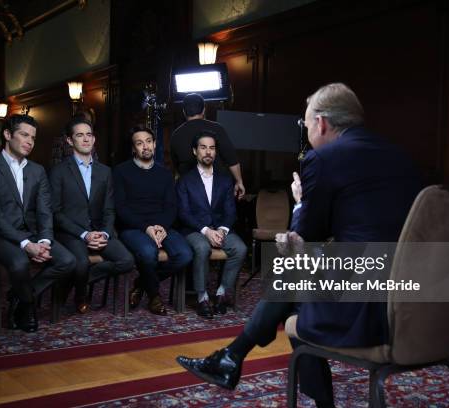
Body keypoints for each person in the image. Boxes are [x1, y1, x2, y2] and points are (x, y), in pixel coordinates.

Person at [176, 83, 423, 407]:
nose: (307, 133)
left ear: (320, 124)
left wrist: (300, 203)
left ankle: (234, 357)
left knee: (292, 279)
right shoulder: (402, 156)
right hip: (420, 306)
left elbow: (302, 240)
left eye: (306, 126)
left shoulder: (324, 158)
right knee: (298, 283)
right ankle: (232, 358)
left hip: (371, 311)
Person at [0, 114, 76, 333]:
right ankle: (28, 306)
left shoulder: (37, 171)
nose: (29, 141)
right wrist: (25, 244)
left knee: (67, 261)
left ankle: (20, 296)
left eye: (33, 137)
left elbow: (44, 210)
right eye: (24, 135)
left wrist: (45, 239)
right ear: (7, 135)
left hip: (31, 233)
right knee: (20, 262)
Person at [49, 116, 135, 314]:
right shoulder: (58, 172)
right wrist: (83, 234)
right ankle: (81, 296)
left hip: (98, 230)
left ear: (94, 139)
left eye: (89, 135)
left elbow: (109, 209)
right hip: (71, 232)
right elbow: (56, 212)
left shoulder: (105, 172)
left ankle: (78, 282)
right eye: (80, 135)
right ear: (70, 141)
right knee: (81, 262)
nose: (86, 139)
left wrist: (104, 233)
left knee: (126, 261)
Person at [113, 124, 193, 315]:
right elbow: (120, 208)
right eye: (139, 143)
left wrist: (161, 227)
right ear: (134, 148)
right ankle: (154, 296)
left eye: (149, 142)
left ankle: (141, 283)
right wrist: (146, 228)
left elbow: (171, 206)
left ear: (155, 144)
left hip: (161, 226)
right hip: (133, 227)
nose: (145, 146)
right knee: (149, 254)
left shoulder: (165, 174)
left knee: (185, 255)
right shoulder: (120, 171)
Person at [176, 132, 247, 319]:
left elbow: (231, 211)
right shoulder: (185, 180)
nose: (208, 152)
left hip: (220, 228)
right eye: (203, 147)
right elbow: (184, 213)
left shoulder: (225, 179)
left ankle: (221, 292)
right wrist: (207, 231)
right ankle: (202, 297)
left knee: (240, 248)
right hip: (194, 229)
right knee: (201, 247)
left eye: (212, 148)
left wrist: (222, 230)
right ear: (194, 151)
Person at [171, 93, 245, 199]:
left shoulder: (175, 135)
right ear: (204, 110)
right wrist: (239, 181)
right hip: (217, 189)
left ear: (184, 111)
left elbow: (177, 167)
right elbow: (232, 159)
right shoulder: (217, 129)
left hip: (190, 191)